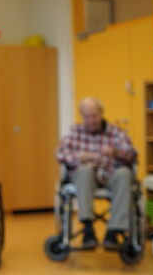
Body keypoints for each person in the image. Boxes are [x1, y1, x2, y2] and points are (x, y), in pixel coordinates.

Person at [56, 97, 137, 250]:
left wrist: (117, 152)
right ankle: (88, 229)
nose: (92, 120)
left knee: (125, 174)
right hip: (85, 179)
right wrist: (79, 156)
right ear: (82, 117)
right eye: (87, 116)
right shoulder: (74, 133)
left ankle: (114, 232)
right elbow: (60, 154)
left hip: (110, 175)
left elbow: (132, 153)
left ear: (101, 113)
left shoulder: (115, 132)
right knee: (84, 171)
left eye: (95, 115)